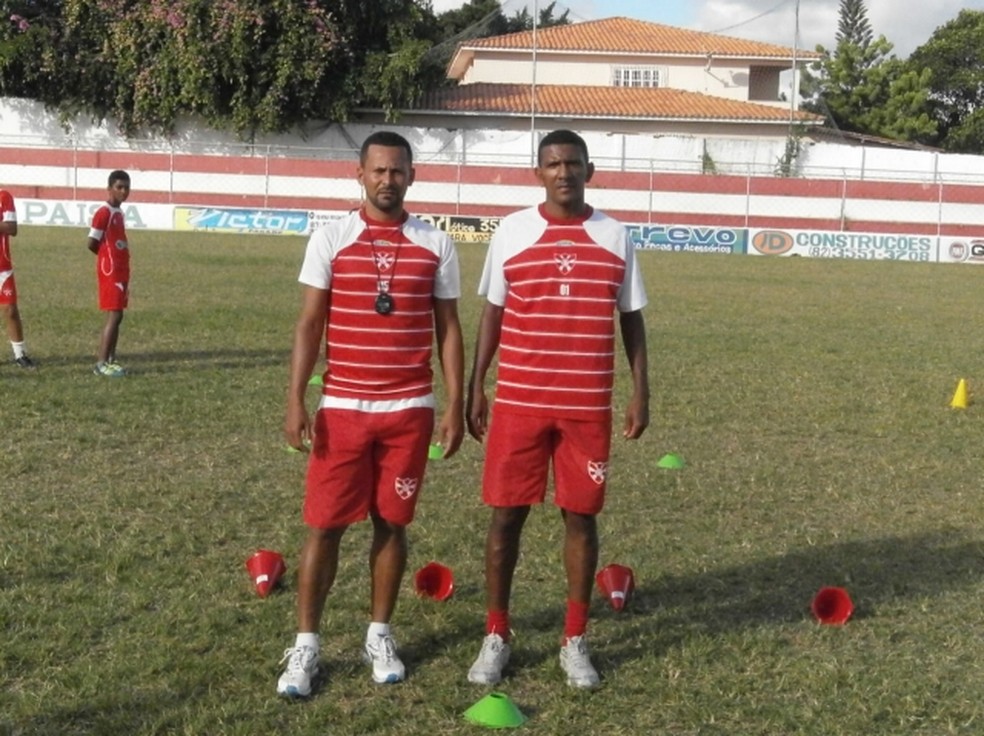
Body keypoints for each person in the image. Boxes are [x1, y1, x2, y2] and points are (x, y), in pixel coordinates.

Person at [276, 130, 465, 699]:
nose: (388, 180)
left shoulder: (436, 243)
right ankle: (307, 644)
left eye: (398, 171)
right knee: (325, 526)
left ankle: (379, 634)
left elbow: (448, 328)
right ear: (359, 175)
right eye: (378, 171)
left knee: (393, 522)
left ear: (412, 176)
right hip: (344, 408)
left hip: (410, 410)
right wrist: (295, 398)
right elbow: (310, 324)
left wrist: (455, 402)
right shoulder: (331, 238)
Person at [465, 129, 650, 689]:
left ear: (589, 170)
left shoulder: (615, 235)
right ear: (537, 172)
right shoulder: (512, 231)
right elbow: (492, 313)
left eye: (573, 163)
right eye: (552, 163)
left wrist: (642, 389)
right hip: (520, 401)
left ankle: (574, 639)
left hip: (586, 404)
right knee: (506, 516)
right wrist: (476, 384)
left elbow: (631, 318)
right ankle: (496, 634)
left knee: (581, 517)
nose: (563, 172)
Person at [87, 170, 132, 377]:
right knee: (114, 315)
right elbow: (92, 242)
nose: (124, 191)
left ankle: (112, 359)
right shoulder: (103, 212)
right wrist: (107, 259)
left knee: (119, 314)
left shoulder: (119, 213)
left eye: (126, 187)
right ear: (109, 189)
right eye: (119, 187)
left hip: (122, 271)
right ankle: (101, 363)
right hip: (111, 271)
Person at [0, 188, 37, 369]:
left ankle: (20, 354)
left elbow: (11, 227)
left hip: (2, 267)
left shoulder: (4, 197)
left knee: (11, 310)